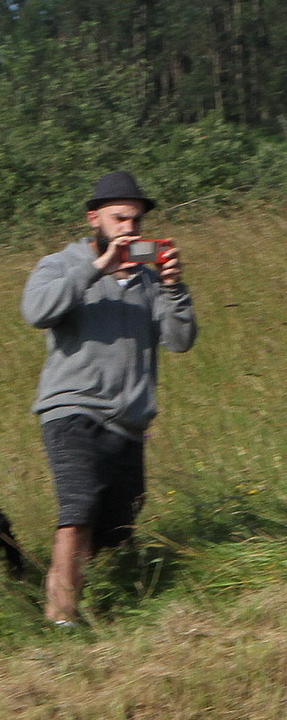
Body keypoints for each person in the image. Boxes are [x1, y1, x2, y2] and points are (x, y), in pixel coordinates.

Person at [21, 171, 197, 625]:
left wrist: (174, 287)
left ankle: (94, 605)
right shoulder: (61, 264)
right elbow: (37, 312)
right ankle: (61, 619)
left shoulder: (149, 281)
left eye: (136, 221)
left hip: (129, 422)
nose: (129, 230)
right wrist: (97, 267)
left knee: (117, 529)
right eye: (120, 219)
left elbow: (180, 341)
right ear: (94, 218)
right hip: (71, 408)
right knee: (78, 509)